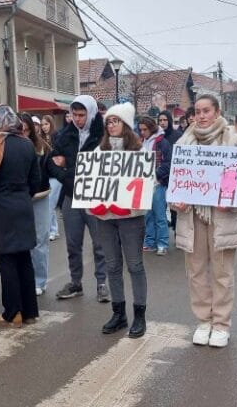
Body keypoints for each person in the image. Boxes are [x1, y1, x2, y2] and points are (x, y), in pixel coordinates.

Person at [173, 95, 237, 348]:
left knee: (222, 272)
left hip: (222, 216)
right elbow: (177, 181)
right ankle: (203, 321)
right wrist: (177, 201)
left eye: (206, 111)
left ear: (216, 113)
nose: (201, 116)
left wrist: (229, 199)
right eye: (198, 111)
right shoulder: (183, 142)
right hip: (192, 216)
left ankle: (221, 324)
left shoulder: (234, 141)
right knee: (196, 272)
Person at [0, 105, 42, 328]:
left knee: (6, 263)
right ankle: (30, 311)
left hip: (0, 210)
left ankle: (12, 312)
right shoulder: (26, 144)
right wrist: (22, 197)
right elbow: (35, 181)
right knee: (24, 260)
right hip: (22, 207)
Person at [92, 102, 149, 338]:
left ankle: (139, 315)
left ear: (125, 124)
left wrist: (132, 201)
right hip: (105, 215)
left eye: (115, 121)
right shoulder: (99, 151)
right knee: (112, 264)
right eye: (108, 122)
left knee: (134, 264)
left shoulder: (139, 152)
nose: (111, 125)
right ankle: (119, 312)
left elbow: (147, 183)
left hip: (130, 217)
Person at [49, 95, 110, 302]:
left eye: (81, 115)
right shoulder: (64, 136)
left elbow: (106, 165)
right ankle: (76, 282)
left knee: (99, 243)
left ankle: (102, 283)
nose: (77, 119)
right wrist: (65, 175)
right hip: (70, 195)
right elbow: (52, 163)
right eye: (74, 114)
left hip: (94, 196)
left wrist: (68, 167)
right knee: (73, 243)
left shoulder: (103, 136)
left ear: (91, 113)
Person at [19, 113, 53, 296]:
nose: (23, 133)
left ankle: (40, 280)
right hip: (20, 199)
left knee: (40, 240)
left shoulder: (42, 147)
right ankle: (26, 278)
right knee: (23, 242)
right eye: (20, 129)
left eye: (26, 129)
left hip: (40, 197)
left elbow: (52, 169)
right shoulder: (11, 146)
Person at [139, 117, 172, 256]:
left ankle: (162, 243)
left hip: (158, 184)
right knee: (148, 216)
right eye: (140, 130)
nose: (142, 132)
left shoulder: (162, 143)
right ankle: (150, 242)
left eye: (145, 130)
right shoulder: (141, 142)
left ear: (151, 128)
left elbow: (168, 163)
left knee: (159, 215)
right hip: (145, 184)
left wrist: (155, 174)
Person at [40, 115, 62, 242]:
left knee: (50, 203)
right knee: (49, 204)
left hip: (56, 175)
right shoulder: (41, 139)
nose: (44, 127)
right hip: (46, 174)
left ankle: (50, 230)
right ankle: (54, 229)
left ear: (51, 124)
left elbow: (59, 154)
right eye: (42, 125)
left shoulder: (57, 137)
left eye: (46, 124)